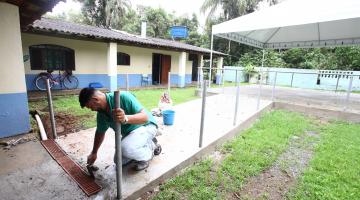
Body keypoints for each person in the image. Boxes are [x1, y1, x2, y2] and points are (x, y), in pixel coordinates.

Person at [78, 87, 161, 171]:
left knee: (126, 148)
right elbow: (100, 132)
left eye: (91, 106)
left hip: (146, 126)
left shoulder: (123, 97)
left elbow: (145, 117)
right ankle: (141, 145)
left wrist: (125, 118)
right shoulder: (101, 114)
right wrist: (94, 152)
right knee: (118, 161)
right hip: (130, 133)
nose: (92, 110)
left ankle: (150, 150)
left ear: (95, 99)